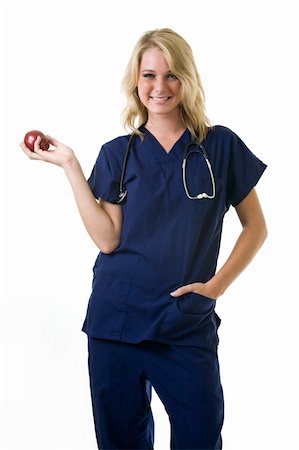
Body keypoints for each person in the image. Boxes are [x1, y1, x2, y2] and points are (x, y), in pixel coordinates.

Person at [20, 28, 267, 450]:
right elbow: (108, 240)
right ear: (136, 81)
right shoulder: (119, 152)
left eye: (172, 75)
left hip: (185, 323)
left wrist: (216, 287)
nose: (160, 87)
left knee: (200, 438)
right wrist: (70, 165)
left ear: (187, 79)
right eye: (149, 75)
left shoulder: (220, 146)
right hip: (117, 322)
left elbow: (256, 227)